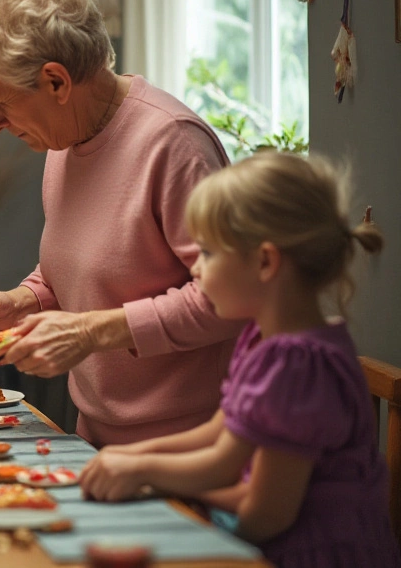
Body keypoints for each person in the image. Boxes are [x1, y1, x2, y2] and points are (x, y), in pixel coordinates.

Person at [0, 0, 243, 446]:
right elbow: (81, 267)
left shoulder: (175, 146)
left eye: (1, 102)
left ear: (57, 83)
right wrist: (20, 303)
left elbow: (231, 300)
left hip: (193, 449)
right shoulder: (65, 140)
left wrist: (89, 332)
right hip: (95, 439)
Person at [80, 151, 398, 568]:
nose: (195, 271)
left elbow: (260, 511)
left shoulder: (299, 365)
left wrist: (147, 474)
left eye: (208, 254)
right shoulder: (263, 337)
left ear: (265, 262)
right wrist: (129, 456)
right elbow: (219, 432)